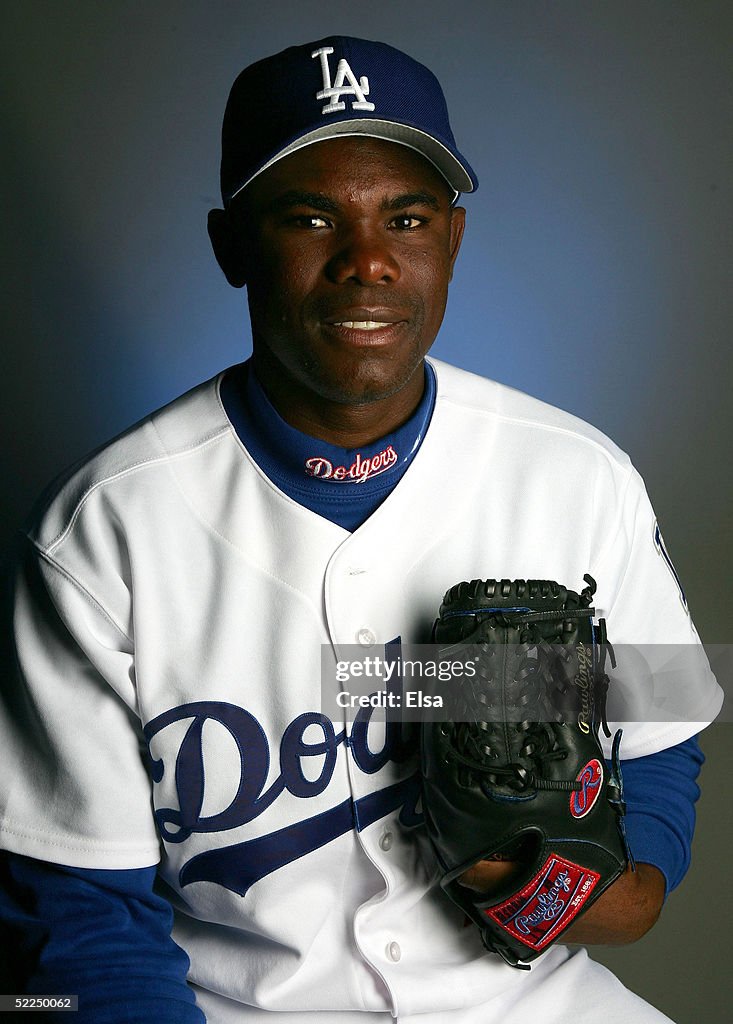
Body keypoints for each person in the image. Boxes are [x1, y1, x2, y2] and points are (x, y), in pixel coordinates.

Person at [0, 35, 722, 1024]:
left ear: (453, 240)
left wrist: (594, 885)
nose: (368, 261)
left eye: (407, 217)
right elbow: (81, 911)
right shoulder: (102, 528)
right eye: (308, 217)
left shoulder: (577, 474)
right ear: (231, 246)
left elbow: (663, 737)